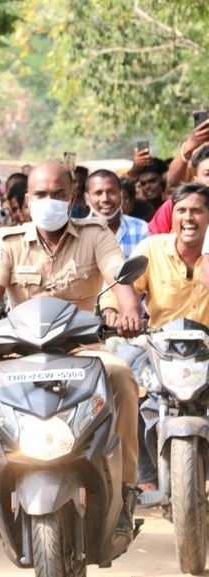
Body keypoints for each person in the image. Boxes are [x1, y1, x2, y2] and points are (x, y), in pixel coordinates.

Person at [0, 161, 144, 546]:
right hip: (19, 355)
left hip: (84, 351)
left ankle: (126, 493)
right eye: (40, 194)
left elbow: (117, 274)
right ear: (27, 200)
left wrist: (129, 312)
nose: (49, 201)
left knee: (123, 379)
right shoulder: (8, 241)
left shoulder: (95, 235)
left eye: (58, 194)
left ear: (72, 198)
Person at [102, 182, 209, 493]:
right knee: (118, 378)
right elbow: (123, 287)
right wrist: (118, 313)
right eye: (182, 211)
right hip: (159, 343)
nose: (189, 218)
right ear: (171, 215)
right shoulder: (152, 248)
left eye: (198, 211)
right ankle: (141, 473)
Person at [85, 169, 149, 258]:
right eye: (98, 193)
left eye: (112, 192)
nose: (105, 199)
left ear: (121, 195)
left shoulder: (142, 230)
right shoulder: (77, 234)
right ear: (86, 199)